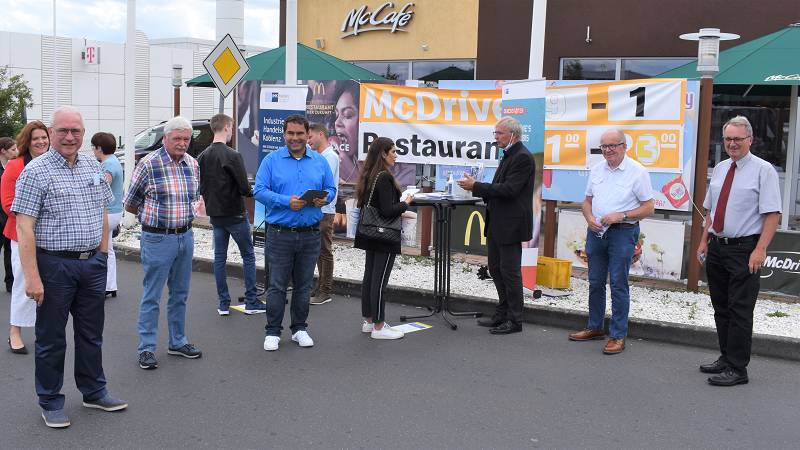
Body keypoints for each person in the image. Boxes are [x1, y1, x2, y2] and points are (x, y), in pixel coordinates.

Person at [13, 106, 127, 428]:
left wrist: (103, 255)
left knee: (91, 334)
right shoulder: (36, 172)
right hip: (54, 267)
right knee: (51, 339)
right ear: (50, 133)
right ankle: (50, 400)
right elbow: (24, 227)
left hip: (91, 264)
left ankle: (93, 391)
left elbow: (103, 211)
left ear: (83, 133)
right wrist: (32, 277)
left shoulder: (93, 165)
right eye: (62, 130)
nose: (70, 136)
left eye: (76, 131)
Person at [696, 115, 781, 386]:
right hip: (719, 247)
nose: (732, 143)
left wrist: (760, 249)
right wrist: (703, 240)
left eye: (738, 139)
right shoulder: (721, 168)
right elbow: (710, 209)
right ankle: (725, 357)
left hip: (745, 249)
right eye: (728, 139)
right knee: (721, 307)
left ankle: (737, 369)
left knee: (740, 309)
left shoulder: (763, 170)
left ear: (750, 140)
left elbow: (772, 214)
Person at [124, 116, 203, 370]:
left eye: (186, 139)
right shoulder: (148, 164)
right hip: (157, 237)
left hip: (185, 236)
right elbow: (131, 202)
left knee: (180, 294)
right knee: (152, 295)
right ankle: (146, 348)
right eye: (177, 138)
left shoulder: (192, 164)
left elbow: (193, 197)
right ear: (165, 138)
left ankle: (177, 341)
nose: (182, 143)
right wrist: (155, 221)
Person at [253, 115, 336, 351]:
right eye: (291, 133)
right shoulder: (271, 160)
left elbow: (331, 189)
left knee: (303, 285)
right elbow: (258, 190)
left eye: (300, 133)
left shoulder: (319, 161)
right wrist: (284, 201)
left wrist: (324, 198)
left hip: (310, 233)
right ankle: (272, 332)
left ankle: (299, 328)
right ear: (284, 134)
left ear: (307, 134)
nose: (295, 138)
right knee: (277, 285)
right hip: (280, 233)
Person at [567, 129, 654, 354]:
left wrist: (622, 215)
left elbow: (649, 207)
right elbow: (587, 202)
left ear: (624, 146)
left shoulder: (637, 172)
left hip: (623, 232)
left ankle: (617, 335)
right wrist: (588, 217)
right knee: (595, 281)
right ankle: (595, 327)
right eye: (604, 146)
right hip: (596, 232)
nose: (608, 150)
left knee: (618, 283)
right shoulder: (597, 170)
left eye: (613, 145)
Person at [458, 116, 535, 335]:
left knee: (510, 273)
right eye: (495, 133)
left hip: (510, 225)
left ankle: (515, 319)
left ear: (514, 135)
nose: (496, 138)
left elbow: (509, 190)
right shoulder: (509, 155)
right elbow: (499, 187)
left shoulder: (523, 157)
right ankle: (502, 313)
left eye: (499, 133)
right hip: (498, 222)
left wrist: (476, 187)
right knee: (496, 270)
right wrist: (479, 186)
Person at [197, 113, 262, 316]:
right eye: (232, 127)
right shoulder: (233, 156)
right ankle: (251, 301)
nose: (232, 131)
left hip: (216, 215)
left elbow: (200, 186)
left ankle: (223, 303)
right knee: (248, 256)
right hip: (235, 213)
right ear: (226, 127)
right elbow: (244, 188)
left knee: (219, 258)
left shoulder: (202, 156)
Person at [354, 137, 412, 340]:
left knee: (370, 277)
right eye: (393, 151)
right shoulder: (384, 177)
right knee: (379, 281)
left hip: (370, 232)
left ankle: (369, 321)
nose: (396, 155)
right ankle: (379, 327)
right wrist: (406, 202)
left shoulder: (369, 174)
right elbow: (388, 210)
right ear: (383, 154)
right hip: (384, 235)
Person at [3, 121, 49, 354]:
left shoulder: (54, 163)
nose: (41, 142)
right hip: (21, 236)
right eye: (35, 138)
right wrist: (39, 215)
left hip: (52, 239)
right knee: (23, 283)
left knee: (48, 288)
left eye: (44, 137)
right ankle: (15, 331)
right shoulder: (15, 165)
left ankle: (44, 332)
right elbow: (8, 204)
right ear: (27, 142)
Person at [308, 122, 339, 305]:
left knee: (324, 251)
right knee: (319, 251)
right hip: (319, 208)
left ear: (321, 134)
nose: (308, 141)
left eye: (310, 137)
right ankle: (321, 286)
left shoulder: (329, 157)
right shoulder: (322, 156)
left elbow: (321, 183)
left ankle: (325, 290)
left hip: (324, 210)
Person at [91, 132, 123, 299]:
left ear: (99, 148)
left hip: (107, 213)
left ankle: (102, 285)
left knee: (101, 250)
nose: (92, 150)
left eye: (93, 147)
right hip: (115, 212)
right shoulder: (114, 161)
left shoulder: (107, 166)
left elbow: (102, 188)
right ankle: (110, 285)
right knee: (108, 248)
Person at [0, 137, 18, 293]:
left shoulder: (15, 166)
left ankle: (10, 281)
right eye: (13, 150)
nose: (16, 152)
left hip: (9, 216)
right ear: (3, 151)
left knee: (10, 250)